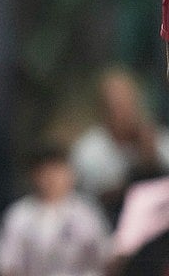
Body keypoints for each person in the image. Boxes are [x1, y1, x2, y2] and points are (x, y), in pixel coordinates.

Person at [0, 144, 111, 276]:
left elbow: (106, 257)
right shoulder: (19, 214)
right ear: (34, 176)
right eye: (46, 173)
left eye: (58, 171)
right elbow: (4, 263)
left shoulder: (87, 212)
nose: (52, 179)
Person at [69, 66, 169, 222]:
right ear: (102, 109)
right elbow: (92, 201)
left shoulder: (158, 139)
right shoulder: (88, 150)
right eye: (116, 105)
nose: (124, 111)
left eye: (128, 102)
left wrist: (150, 155)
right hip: (108, 225)